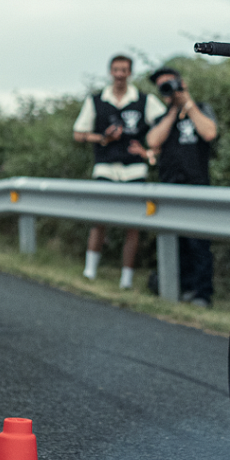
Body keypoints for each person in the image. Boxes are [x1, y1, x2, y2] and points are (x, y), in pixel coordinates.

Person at [70, 54, 165, 288]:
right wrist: (103, 137)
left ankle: (126, 279)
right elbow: (78, 133)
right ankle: (90, 270)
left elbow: (164, 127)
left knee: (132, 225)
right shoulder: (97, 100)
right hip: (105, 166)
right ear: (110, 71)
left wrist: (149, 152)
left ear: (130, 73)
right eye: (116, 69)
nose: (120, 74)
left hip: (134, 169)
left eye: (124, 70)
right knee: (99, 219)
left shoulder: (144, 100)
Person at [144, 66, 219, 307]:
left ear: (181, 82)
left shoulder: (202, 109)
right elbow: (153, 141)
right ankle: (178, 287)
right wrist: (173, 111)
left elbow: (209, 133)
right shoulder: (161, 117)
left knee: (199, 242)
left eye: (171, 83)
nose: (168, 89)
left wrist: (187, 103)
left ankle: (201, 294)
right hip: (169, 186)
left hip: (197, 186)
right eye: (163, 86)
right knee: (174, 242)